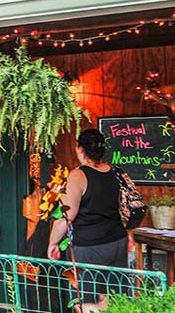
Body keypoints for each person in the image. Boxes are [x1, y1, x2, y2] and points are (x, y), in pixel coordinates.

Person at [47, 128, 130, 311]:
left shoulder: (78, 175)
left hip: (89, 247)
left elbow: (65, 217)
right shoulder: (116, 172)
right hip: (117, 241)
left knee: (81, 300)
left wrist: (53, 243)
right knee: (112, 297)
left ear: (80, 150)